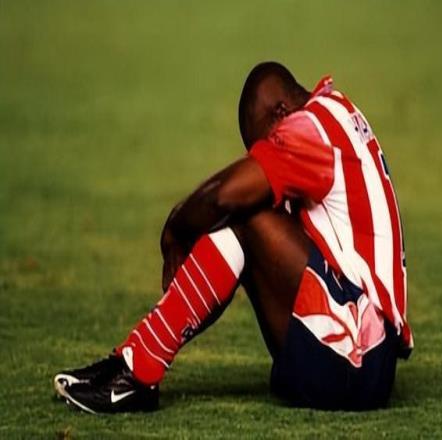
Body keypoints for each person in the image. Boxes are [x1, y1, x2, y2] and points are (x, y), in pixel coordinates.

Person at [54, 62, 412, 414]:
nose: (270, 151)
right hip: (362, 357)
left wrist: (175, 229)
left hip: (358, 358)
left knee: (245, 211)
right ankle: (134, 362)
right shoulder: (333, 114)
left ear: (281, 112)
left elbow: (224, 195)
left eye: (269, 143)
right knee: (242, 215)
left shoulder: (311, 128)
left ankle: (138, 372)